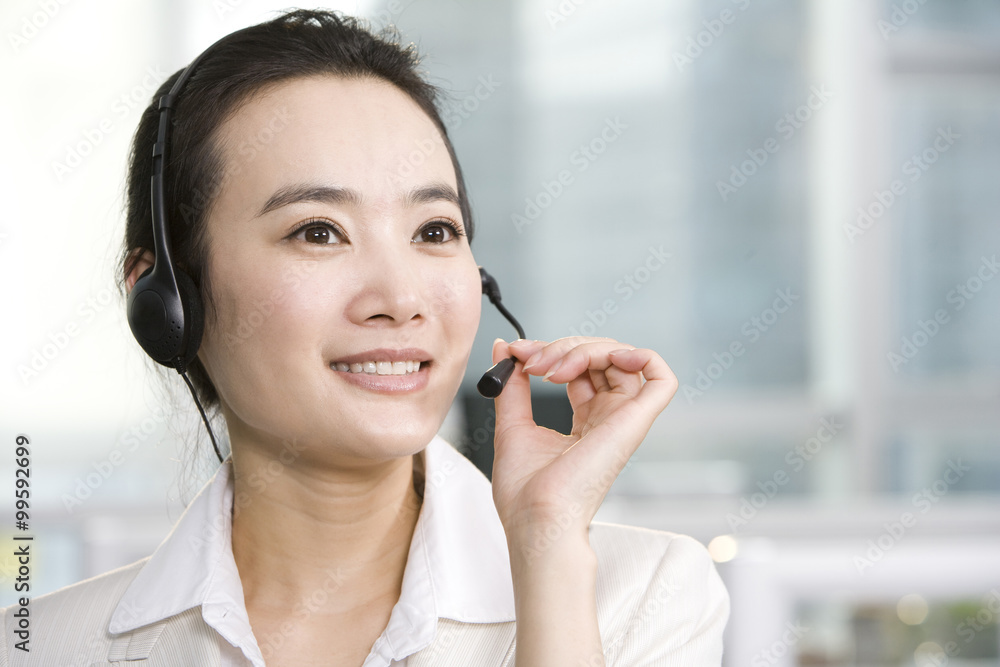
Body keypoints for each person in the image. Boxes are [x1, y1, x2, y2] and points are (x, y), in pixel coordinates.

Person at [0, 9, 728, 666]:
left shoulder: (644, 595)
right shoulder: (41, 647)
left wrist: (546, 546)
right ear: (169, 298)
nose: (402, 298)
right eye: (318, 231)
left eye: (433, 230)